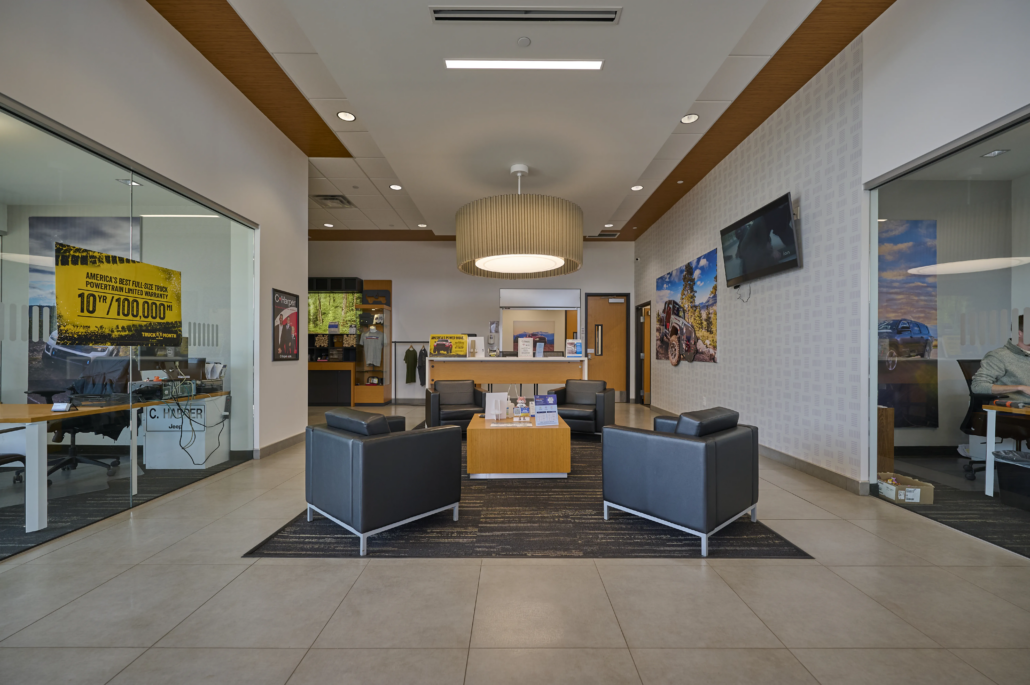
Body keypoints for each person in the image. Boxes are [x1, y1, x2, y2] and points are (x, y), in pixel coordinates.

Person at [972, 315, 1030, 401]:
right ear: (1019, 333)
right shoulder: (999, 356)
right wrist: (1020, 388)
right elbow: (978, 386)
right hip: (1018, 407)